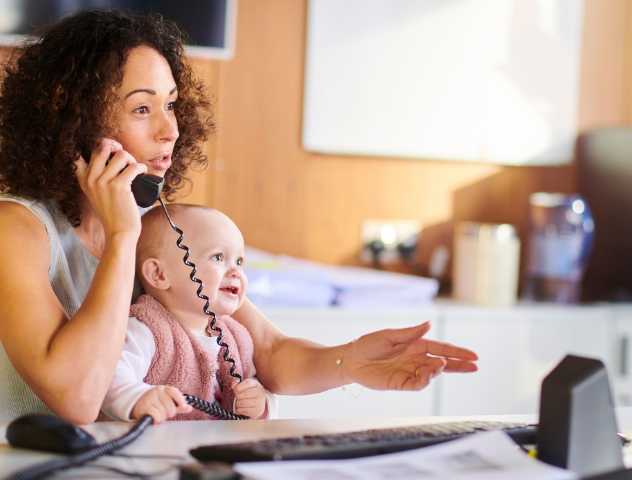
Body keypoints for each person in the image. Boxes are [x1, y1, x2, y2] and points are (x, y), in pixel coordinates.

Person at [0, 9, 478, 425]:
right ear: (74, 121)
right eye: (142, 108)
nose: (170, 130)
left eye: (170, 104)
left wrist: (349, 363)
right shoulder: (18, 230)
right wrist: (124, 236)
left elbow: (266, 350)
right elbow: (79, 400)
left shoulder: (158, 224)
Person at [103, 204, 277, 423]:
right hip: (160, 449)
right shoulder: (146, 329)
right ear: (158, 274)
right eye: (218, 258)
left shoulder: (236, 337)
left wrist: (261, 403)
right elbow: (108, 377)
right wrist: (137, 398)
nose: (236, 272)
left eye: (239, 261)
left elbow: (254, 386)